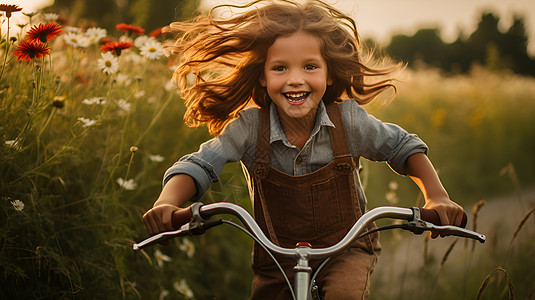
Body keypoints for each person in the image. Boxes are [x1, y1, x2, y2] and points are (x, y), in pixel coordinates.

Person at [142, 0, 465, 299]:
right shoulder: (249, 128)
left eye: (310, 67)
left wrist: (436, 196)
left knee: (344, 296)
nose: (295, 79)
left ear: (328, 73)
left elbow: (402, 147)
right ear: (264, 77)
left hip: (346, 250)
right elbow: (201, 164)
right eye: (280, 68)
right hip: (276, 257)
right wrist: (167, 202)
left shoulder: (349, 121)